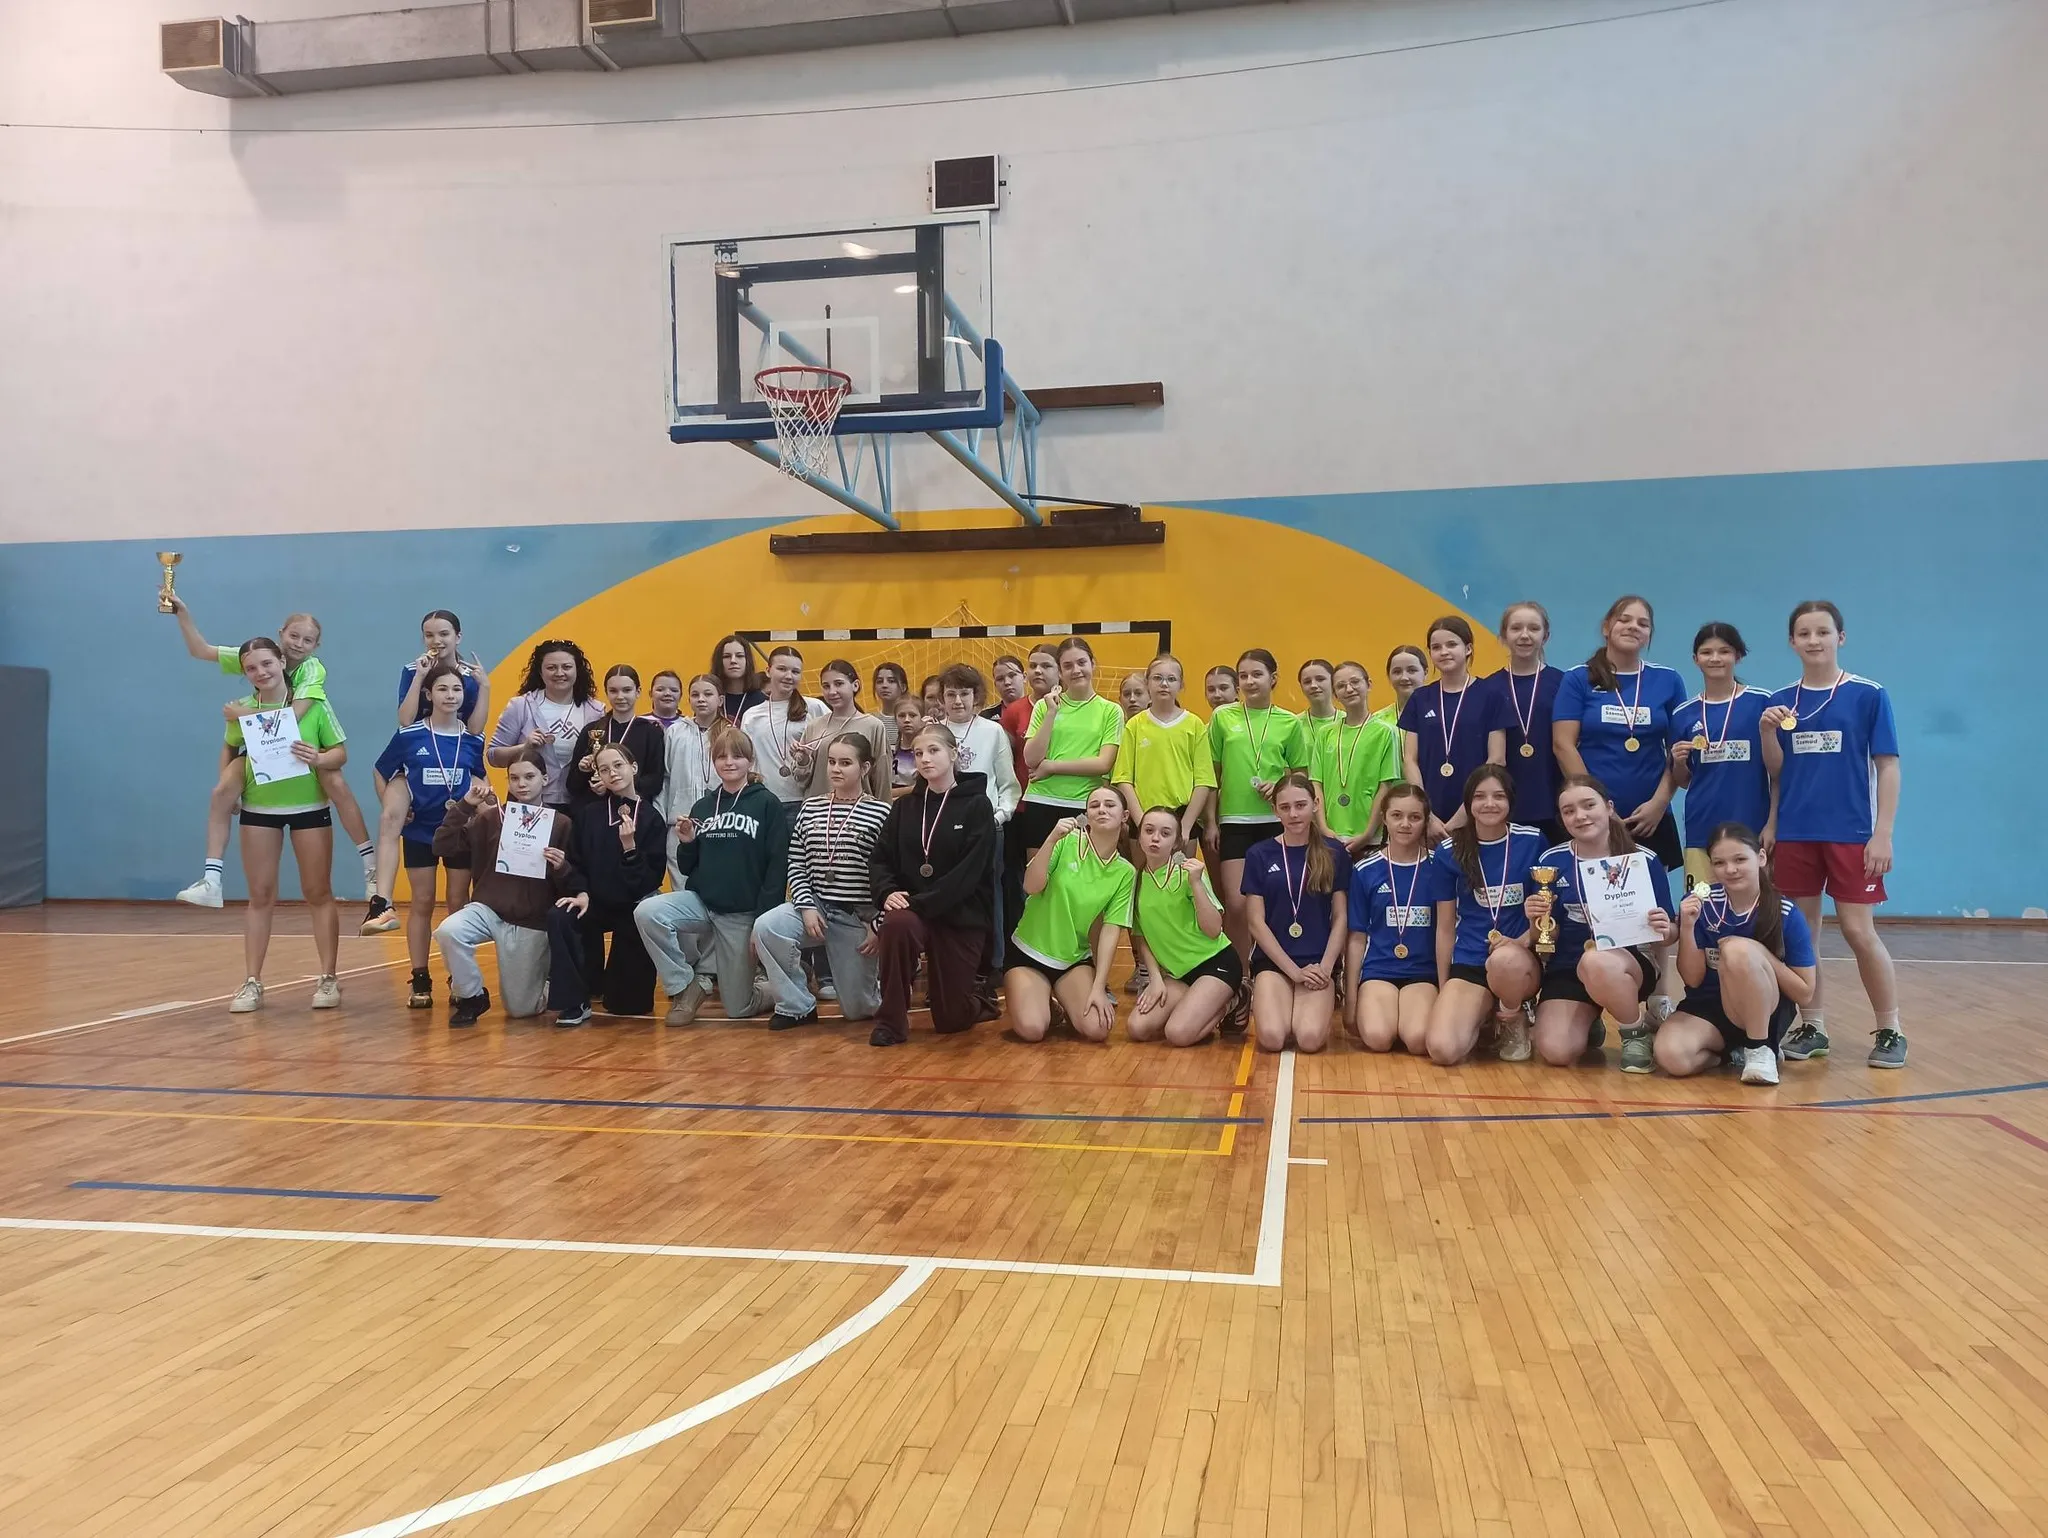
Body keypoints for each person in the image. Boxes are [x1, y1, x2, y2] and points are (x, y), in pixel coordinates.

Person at [1763, 600, 1905, 1068]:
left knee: (1859, 931)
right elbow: (1777, 774)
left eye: (1823, 632)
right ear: (1792, 641)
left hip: (1852, 833)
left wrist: (1883, 833)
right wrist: (1773, 823)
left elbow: (1887, 767)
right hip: (1796, 834)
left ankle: (1890, 1029)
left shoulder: (1868, 694)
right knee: (1802, 936)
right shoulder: (1781, 702)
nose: (1814, 640)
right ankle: (1813, 1025)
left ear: (1840, 637)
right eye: (1804, 633)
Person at [167, 598, 377, 908]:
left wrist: (242, 714)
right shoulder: (258, 654)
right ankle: (211, 879)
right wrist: (182, 614)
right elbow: (201, 650)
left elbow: (293, 716)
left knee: (334, 781)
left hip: (300, 737)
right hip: (264, 744)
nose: (298, 644)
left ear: (316, 646)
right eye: (294, 636)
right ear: (281, 634)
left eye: (307, 640)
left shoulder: (312, 669)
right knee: (222, 789)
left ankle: (370, 864)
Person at [219, 638, 345, 1014]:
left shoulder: (313, 705)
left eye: (267, 663)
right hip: (260, 809)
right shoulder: (241, 711)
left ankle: (328, 977)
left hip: (309, 807)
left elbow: (340, 753)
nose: (261, 672)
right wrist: (230, 791)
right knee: (260, 894)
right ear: (245, 674)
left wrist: (318, 757)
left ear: (281, 663)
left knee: (317, 891)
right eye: (251, 668)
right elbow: (229, 749)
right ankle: (252, 981)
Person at [1524, 775, 1678, 1073]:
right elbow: (1542, 937)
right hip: (1568, 967)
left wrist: (1664, 927)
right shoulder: (1550, 861)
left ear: (1608, 807)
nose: (1580, 816)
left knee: (1596, 961)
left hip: (1628, 967)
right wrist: (1537, 918)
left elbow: (1669, 935)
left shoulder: (1643, 860)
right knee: (1556, 1051)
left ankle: (1634, 1032)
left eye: (1588, 805)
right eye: (1569, 811)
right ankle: (1589, 1019)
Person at [635, 727, 785, 1025]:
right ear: (713, 762)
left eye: (737, 756)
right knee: (647, 911)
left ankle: (777, 985)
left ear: (750, 760)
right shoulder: (703, 806)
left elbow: (777, 864)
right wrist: (688, 842)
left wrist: (762, 920)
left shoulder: (767, 803)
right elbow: (688, 867)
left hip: (741, 913)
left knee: (738, 1007)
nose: (729, 762)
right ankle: (685, 985)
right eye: (721, 757)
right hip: (702, 903)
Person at [870, 721, 998, 1045]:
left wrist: (918, 903)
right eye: (918, 753)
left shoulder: (977, 805)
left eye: (933, 750)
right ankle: (890, 1023)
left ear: (953, 754)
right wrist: (886, 892)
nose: (925, 759)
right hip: (915, 912)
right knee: (896, 924)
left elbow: (968, 874)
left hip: (959, 915)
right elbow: (881, 858)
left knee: (951, 1019)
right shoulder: (904, 807)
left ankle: (980, 998)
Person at [1659, 822, 1818, 1084]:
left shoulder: (1785, 913)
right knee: (1671, 1056)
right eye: (1719, 863)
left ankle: (1759, 1048)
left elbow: (1805, 993)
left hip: (1763, 1010)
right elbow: (1693, 980)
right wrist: (1687, 927)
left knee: (1737, 950)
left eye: (1740, 859)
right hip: (1709, 1007)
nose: (1730, 869)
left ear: (1761, 857)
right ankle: (1732, 1055)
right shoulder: (1701, 905)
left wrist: (1760, 953)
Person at [432, 749, 581, 1027]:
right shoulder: (490, 819)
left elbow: (571, 884)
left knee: (520, 1010)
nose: (521, 784)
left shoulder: (561, 824)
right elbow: (442, 846)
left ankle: (546, 979)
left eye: (529, 777)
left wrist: (562, 867)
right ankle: (472, 996)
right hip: (487, 909)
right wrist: (464, 806)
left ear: (545, 779)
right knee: (448, 931)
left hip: (530, 920)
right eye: (514, 778)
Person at [752, 734, 889, 1029]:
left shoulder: (881, 812)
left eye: (845, 763)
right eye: (831, 762)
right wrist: (806, 906)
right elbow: (796, 862)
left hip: (857, 916)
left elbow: (889, 874)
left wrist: (878, 922)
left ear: (865, 768)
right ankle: (796, 1006)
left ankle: (877, 985)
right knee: (767, 926)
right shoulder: (811, 807)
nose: (836, 769)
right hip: (815, 908)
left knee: (858, 1011)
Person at [371, 664, 487, 1009]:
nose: (450, 696)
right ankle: (420, 976)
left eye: (457, 690)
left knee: (458, 902)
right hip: (421, 831)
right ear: (429, 694)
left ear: (465, 696)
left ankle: (459, 976)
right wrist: (392, 803)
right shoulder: (409, 735)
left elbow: (478, 777)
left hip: (459, 832)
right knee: (422, 901)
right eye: (443, 689)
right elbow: (381, 770)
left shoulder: (473, 739)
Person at [1551, 595, 1688, 873]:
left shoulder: (1668, 680)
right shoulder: (1578, 678)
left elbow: (1678, 752)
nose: (1633, 627)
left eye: (1643, 624)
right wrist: (1596, 807)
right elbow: (1563, 744)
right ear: (1606, 627)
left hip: (1650, 818)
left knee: (1652, 896)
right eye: (1624, 620)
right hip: (1592, 818)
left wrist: (1659, 804)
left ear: (1649, 634)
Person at [1423, 765, 1548, 1065]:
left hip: (1517, 961)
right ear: (1468, 803)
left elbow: (1544, 919)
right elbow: (1444, 927)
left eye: (1498, 796)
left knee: (1505, 961)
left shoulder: (1532, 841)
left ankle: (1514, 1015)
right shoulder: (1449, 851)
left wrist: (1519, 942)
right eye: (1479, 796)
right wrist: (1445, 986)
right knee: (1442, 1049)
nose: (1489, 804)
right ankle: (1485, 1015)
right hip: (1470, 960)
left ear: (1510, 801)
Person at [1006, 785, 1137, 1044]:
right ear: (1086, 815)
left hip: (1073, 961)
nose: (1101, 810)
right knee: (1033, 1030)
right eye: (1094, 805)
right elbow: (1031, 886)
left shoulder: (1125, 872)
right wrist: (1050, 840)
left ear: (1125, 816)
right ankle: (1046, 1003)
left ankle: (1062, 998)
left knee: (1097, 1029)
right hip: (1029, 953)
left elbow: (1111, 931)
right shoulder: (1065, 841)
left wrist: (1099, 986)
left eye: (1110, 805)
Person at [551, 743, 664, 1024]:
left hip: (631, 908)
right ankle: (575, 1001)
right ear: (599, 776)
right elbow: (575, 862)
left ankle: (614, 985)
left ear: (633, 768)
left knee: (628, 1006)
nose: (612, 773)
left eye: (618, 765)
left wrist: (630, 849)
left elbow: (648, 881)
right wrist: (581, 892)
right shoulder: (589, 814)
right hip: (594, 902)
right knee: (560, 915)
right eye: (604, 769)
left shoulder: (652, 819)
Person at [1208, 649, 1308, 966]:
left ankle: (1276, 968)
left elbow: (1301, 774)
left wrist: (1279, 786)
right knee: (1237, 904)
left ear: (1273, 678)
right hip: (1234, 820)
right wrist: (1211, 822)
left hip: (1275, 821)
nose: (1249, 681)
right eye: (1243, 676)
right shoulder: (1222, 717)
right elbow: (1212, 775)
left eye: (1257, 674)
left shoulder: (1289, 722)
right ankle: (1240, 975)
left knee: (1277, 900)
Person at [1239, 772, 1351, 1054]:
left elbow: (1340, 917)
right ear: (1275, 810)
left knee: (1309, 1039)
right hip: (1274, 964)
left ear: (1315, 804)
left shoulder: (1334, 852)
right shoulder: (1259, 854)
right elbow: (1255, 922)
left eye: (1300, 805)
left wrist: (1326, 968)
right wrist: (1294, 972)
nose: (1293, 814)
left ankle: (1328, 990)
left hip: (1318, 964)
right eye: (1285, 807)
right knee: (1272, 1038)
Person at [1670, 622, 1777, 887]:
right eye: (1706, 652)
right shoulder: (1683, 713)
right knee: (1701, 902)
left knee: (1755, 904)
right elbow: (1683, 780)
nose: (1715, 658)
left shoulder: (1763, 703)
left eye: (1724, 651)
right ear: (1695, 659)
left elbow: (1777, 773)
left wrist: (1772, 823)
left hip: (1752, 825)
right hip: (1701, 827)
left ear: (1738, 656)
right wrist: (1679, 762)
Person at [1126, 807, 1240, 1048]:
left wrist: (1196, 884)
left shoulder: (1189, 873)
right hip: (1178, 975)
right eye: (1149, 831)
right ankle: (1195, 1003)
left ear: (1177, 842)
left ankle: (1232, 1001)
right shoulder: (1135, 881)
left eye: (1165, 833)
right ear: (1140, 836)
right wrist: (1155, 979)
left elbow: (1213, 930)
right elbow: (1141, 936)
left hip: (1215, 963)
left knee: (1178, 1033)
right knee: (1137, 1028)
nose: (1155, 838)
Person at [940, 664, 1022, 986]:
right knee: (947, 896)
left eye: (964, 693)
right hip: (943, 831)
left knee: (992, 895)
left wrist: (998, 817)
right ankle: (950, 964)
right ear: (942, 698)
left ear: (976, 697)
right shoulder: (934, 733)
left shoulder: (993, 731)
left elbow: (1008, 785)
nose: (958, 701)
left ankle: (994, 962)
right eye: (951, 694)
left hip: (987, 830)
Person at [1345, 784, 1442, 1053]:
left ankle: (1407, 1017)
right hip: (1379, 971)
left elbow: (1448, 931)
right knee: (1377, 1038)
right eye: (1397, 815)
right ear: (1384, 819)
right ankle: (1387, 1014)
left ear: (1425, 821)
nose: (1405, 824)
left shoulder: (1439, 867)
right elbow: (1356, 938)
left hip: (1423, 974)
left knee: (1418, 1040)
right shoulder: (1365, 870)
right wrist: (1351, 999)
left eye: (1415, 817)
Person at [1019, 637, 1125, 863]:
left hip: (1085, 804)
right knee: (1039, 874)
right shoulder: (1045, 706)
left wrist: (1052, 766)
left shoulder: (1111, 711)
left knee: (1082, 873)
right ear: (1060, 672)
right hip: (1042, 801)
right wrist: (1051, 713)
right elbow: (1031, 758)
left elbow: (1103, 763)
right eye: (1067, 666)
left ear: (1093, 664)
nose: (1076, 670)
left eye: (1081, 663)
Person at [1401, 616, 1507, 834]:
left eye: (1451, 644)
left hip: (1477, 812)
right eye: (1436, 647)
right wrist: (1426, 813)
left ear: (1468, 649)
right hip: (1429, 818)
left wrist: (1465, 813)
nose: (1444, 652)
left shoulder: (1491, 695)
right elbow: (1410, 759)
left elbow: (1496, 759)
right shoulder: (1420, 698)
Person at [483, 639, 605, 810]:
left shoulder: (596, 711)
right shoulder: (521, 706)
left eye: (567, 667)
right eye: (551, 667)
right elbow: (493, 757)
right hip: (528, 804)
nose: (559, 673)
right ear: (540, 672)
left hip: (580, 805)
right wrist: (524, 747)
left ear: (578, 670)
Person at [1112, 654, 1215, 847]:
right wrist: (1142, 823)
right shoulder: (1134, 725)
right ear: (1148, 683)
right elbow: (1123, 778)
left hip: (1182, 817)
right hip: (1143, 815)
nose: (1164, 684)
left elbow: (1204, 780)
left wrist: (1185, 826)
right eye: (1157, 678)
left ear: (1181, 685)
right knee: (1144, 868)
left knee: (1181, 868)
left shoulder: (1194, 724)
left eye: (1171, 679)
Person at [1485, 602, 1565, 843]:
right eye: (1516, 628)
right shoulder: (1487, 687)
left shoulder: (1563, 683)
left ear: (1546, 636)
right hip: (1504, 803)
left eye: (1533, 628)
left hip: (1555, 799)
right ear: (1503, 636)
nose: (1524, 635)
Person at [1313, 660, 1402, 856]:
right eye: (1341, 686)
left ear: (1368, 684)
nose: (1349, 689)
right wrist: (1323, 828)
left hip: (1370, 836)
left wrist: (1368, 833)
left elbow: (1385, 786)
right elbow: (1316, 784)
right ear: (1335, 694)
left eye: (1355, 682)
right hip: (1330, 836)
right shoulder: (1325, 733)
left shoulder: (1386, 732)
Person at [657, 673, 725, 883]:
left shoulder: (729, 733)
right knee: (682, 882)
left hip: (719, 822)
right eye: (695, 695)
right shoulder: (674, 732)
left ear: (720, 700)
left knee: (715, 880)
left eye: (708, 694)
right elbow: (665, 778)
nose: (701, 699)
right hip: (680, 820)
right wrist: (662, 817)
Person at [792, 659, 892, 800]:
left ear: (855, 685)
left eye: (839, 684)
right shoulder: (814, 726)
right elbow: (801, 781)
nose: (832, 691)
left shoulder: (873, 726)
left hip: (859, 809)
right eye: (826, 686)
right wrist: (803, 761)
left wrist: (884, 809)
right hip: (819, 808)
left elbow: (882, 778)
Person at [569, 664, 665, 808]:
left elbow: (655, 783)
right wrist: (582, 771)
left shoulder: (651, 733)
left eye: (627, 690)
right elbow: (571, 785)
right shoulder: (591, 731)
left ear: (638, 692)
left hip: (634, 811)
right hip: (595, 811)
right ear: (606, 693)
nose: (620, 696)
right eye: (613, 691)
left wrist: (612, 785)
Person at [741, 644, 823, 805]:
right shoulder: (751, 715)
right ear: (768, 671)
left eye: (795, 672)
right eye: (782, 669)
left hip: (804, 800)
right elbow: (747, 759)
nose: (788, 676)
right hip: (764, 799)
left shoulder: (814, 707)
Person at [395, 610, 490, 733]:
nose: (436, 641)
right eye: (429, 635)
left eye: (444, 634)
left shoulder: (472, 677)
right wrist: (419, 677)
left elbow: (475, 730)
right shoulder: (413, 671)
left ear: (458, 637)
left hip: (456, 743)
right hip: (418, 742)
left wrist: (485, 686)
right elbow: (405, 720)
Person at [992, 652, 1035, 785]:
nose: (1007, 682)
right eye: (1000, 679)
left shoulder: (1040, 709)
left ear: (1024, 677)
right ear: (995, 684)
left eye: (1012, 675)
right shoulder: (986, 717)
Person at [1296, 658, 1341, 767]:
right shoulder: (1294, 724)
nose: (1313, 685)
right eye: (1307, 682)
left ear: (1333, 682)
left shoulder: (1349, 721)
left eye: (1320, 679)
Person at [712, 635, 766, 725]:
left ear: (747, 660)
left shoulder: (761, 701)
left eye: (739, 656)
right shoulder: (710, 699)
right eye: (727, 656)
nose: (733, 661)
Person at [1374, 645, 1428, 729]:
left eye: (1411, 670)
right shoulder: (1378, 720)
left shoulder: (1441, 713)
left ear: (1425, 673)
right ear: (1389, 676)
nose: (1404, 678)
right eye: (1397, 672)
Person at [889, 695, 925, 793]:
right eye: (901, 716)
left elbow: (923, 787)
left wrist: (891, 794)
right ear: (895, 719)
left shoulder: (926, 752)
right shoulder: (890, 750)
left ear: (922, 719)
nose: (907, 720)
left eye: (912, 715)